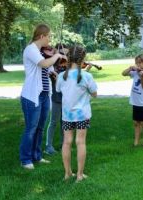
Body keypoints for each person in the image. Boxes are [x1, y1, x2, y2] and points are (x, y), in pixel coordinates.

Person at [19, 24, 66, 170]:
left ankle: (37, 156)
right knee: (31, 128)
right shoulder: (31, 49)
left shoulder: (42, 52)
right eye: (49, 36)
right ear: (42, 36)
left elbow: (48, 68)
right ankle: (26, 159)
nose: (50, 40)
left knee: (40, 128)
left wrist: (54, 73)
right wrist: (58, 55)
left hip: (45, 95)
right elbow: (44, 63)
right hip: (32, 95)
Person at [56, 45, 97, 182]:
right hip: (82, 115)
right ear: (82, 58)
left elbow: (59, 90)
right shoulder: (87, 76)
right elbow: (94, 94)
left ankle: (68, 174)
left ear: (68, 58)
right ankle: (79, 175)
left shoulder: (62, 76)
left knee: (67, 142)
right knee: (80, 142)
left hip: (67, 115)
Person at [122, 54, 143, 148]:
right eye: (137, 63)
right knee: (136, 123)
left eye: (140, 62)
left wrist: (141, 76)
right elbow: (123, 73)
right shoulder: (135, 72)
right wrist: (130, 68)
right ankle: (135, 142)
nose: (138, 64)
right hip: (135, 102)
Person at [45, 43, 69, 155]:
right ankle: (48, 146)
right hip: (56, 98)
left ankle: (64, 144)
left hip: (67, 98)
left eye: (66, 53)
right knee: (53, 122)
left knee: (64, 122)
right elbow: (53, 76)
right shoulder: (52, 65)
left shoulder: (68, 65)